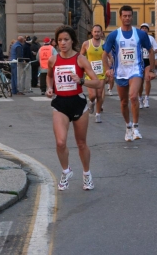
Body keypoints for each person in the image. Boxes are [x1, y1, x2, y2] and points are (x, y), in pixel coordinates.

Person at [46, 25, 100, 191]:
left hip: (78, 103)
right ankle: (66, 171)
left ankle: (87, 174)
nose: (63, 43)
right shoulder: (53, 60)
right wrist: (49, 88)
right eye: (60, 40)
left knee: (81, 143)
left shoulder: (80, 59)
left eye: (66, 40)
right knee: (60, 142)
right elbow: (49, 76)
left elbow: (97, 82)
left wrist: (82, 81)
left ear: (72, 41)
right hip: (60, 103)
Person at [102, 5, 155, 141]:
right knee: (124, 102)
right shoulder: (114, 35)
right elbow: (104, 54)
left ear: (132, 17)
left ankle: (136, 127)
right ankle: (128, 126)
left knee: (133, 97)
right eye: (124, 16)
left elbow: (151, 51)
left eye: (129, 15)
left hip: (136, 70)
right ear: (120, 17)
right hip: (120, 72)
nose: (127, 18)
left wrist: (151, 70)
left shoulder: (140, 34)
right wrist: (108, 69)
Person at [80, 24, 106, 123]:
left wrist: (110, 66)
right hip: (90, 73)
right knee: (92, 95)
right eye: (95, 31)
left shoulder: (104, 44)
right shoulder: (86, 44)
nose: (96, 33)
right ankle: (91, 102)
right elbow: (81, 56)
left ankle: (98, 115)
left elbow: (110, 57)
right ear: (92, 33)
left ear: (101, 33)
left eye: (98, 31)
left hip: (101, 73)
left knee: (99, 95)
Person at [138, 23, 157, 109]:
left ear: (148, 30)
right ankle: (140, 99)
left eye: (145, 28)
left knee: (147, 79)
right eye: (142, 28)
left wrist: (152, 51)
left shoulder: (151, 38)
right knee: (140, 82)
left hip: (148, 60)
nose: (144, 29)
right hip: (140, 60)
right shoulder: (137, 38)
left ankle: (146, 98)